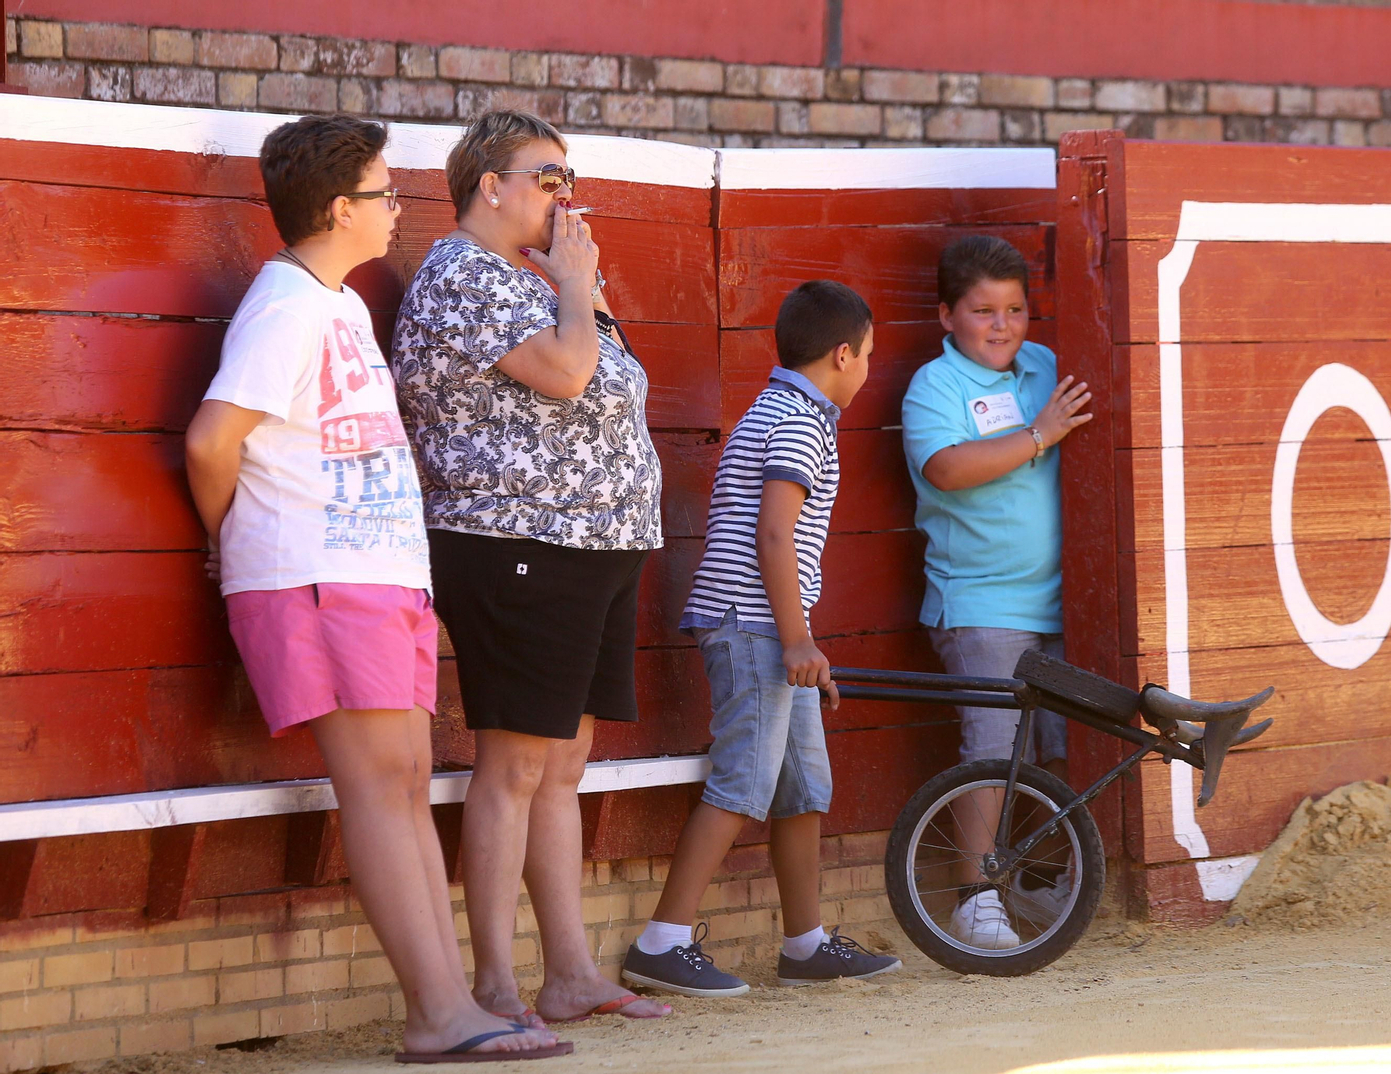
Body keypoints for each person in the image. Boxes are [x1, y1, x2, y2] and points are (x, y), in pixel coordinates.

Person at [185, 115, 563, 1062]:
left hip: (371, 570)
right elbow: (209, 440)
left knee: (402, 782)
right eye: (386, 194)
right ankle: (437, 1012)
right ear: (336, 207)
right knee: (380, 789)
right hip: (314, 569)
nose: (399, 208)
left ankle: (453, 1006)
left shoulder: (339, 303)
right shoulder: (286, 304)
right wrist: (226, 539)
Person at [392, 110, 670, 1026]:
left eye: (568, 179)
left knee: (562, 764)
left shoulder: (528, 276)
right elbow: (567, 373)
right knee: (513, 765)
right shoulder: (461, 273)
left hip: (590, 544)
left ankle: (570, 974)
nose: (565, 197)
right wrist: (579, 284)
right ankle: (494, 987)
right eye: (549, 178)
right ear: (490, 185)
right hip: (519, 544)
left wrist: (569, 283)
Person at [620, 281, 901, 996]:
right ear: (842, 355)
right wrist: (798, 640)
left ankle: (804, 943)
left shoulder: (785, 409)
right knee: (744, 779)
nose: (868, 369)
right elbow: (774, 533)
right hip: (756, 627)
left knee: (802, 785)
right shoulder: (802, 421)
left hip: (768, 627)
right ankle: (662, 939)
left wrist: (802, 644)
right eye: (867, 356)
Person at [899, 235, 1094, 950]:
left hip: (1067, 599)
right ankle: (976, 898)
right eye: (984, 311)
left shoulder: (1045, 366)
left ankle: (1049, 884)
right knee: (993, 754)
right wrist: (1039, 435)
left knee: (1072, 745)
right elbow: (947, 469)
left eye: (1016, 309)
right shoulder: (936, 386)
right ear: (946, 314)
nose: (1003, 325)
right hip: (981, 603)